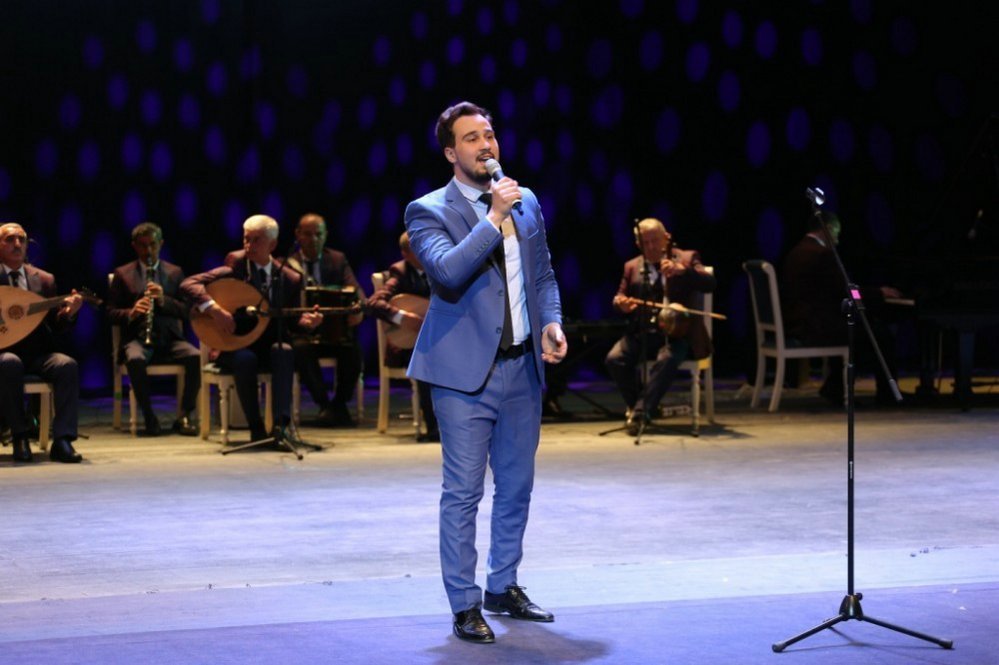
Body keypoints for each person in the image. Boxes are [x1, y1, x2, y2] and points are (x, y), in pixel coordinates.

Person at [405, 101, 567, 644]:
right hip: (462, 374)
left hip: (522, 368)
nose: (485, 145)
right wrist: (493, 218)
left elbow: (542, 275)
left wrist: (551, 322)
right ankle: (464, 603)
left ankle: (503, 586)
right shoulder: (428, 210)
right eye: (471, 138)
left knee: (516, 485)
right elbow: (447, 273)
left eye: (490, 134)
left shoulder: (526, 201)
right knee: (463, 492)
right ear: (451, 153)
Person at [180, 214, 323, 444]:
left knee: (284, 351)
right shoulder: (236, 265)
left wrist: (307, 324)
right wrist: (214, 309)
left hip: (268, 343)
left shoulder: (289, 278)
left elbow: (292, 322)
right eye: (246, 239)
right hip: (234, 344)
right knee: (245, 359)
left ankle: (280, 428)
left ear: (272, 245)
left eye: (257, 240)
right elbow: (189, 284)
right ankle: (256, 428)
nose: (249, 245)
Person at [605, 218, 715, 435]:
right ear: (638, 244)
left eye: (655, 241)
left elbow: (709, 283)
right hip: (643, 334)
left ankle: (639, 414)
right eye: (645, 243)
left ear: (666, 238)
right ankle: (646, 408)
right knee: (614, 359)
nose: (651, 247)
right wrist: (621, 304)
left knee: (668, 358)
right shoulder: (632, 266)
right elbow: (620, 297)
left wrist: (683, 271)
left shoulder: (687, 258)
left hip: (678, 336)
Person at [782, 212, 900, 405]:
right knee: (879, 334)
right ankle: (887, 394)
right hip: (816, 328)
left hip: (801, 323)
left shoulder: (796, 252)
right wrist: (879, 293)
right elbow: (848, 292)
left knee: (854, 327)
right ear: (828, 229)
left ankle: (834, 387)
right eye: (836, 233)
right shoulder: (822, 254)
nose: (837, 240)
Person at [0, 222, 84, 463]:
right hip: (4, 352)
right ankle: (20, 436)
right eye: (10, 239)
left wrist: (69, 313)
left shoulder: (44, 280)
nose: (17, 244)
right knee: (9, 363)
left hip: (38, 354)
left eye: (21, 239)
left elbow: (57, 326)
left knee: (66, 365)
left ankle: (62, 440)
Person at [108, 222, 200, 437]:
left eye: (153, 245)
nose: (148, 250)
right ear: (134, 246)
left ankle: (184, 415)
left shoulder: (175, 272)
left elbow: (187, 311)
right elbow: (110, 313)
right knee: (135, 359)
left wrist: (163, 300)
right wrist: (131, 313)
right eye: (142, 245)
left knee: (195, 356)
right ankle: (149, 416)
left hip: (170, 339)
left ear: (161, 244)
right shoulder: (122, 274)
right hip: (137, 338)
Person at [285, 213, 365, 427]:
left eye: (318, 234)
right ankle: (324, 404)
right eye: (308, 234)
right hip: (303, 333)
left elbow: (357, 293)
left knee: (353, 350)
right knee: (300, 350)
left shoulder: (337, 259)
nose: (313, 239)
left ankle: (338, 404)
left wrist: (358, 310)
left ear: (325, 235)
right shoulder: (287, 264)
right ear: (298, 235)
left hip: (333, 332)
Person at [365, 231, 439, 441]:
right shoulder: (400, 272)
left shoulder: (440, 268)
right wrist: (402, 318)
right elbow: (373, 304)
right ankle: (434, 428)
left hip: (443, 343)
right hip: (408, 347)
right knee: (427, 359)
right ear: (406, 254)